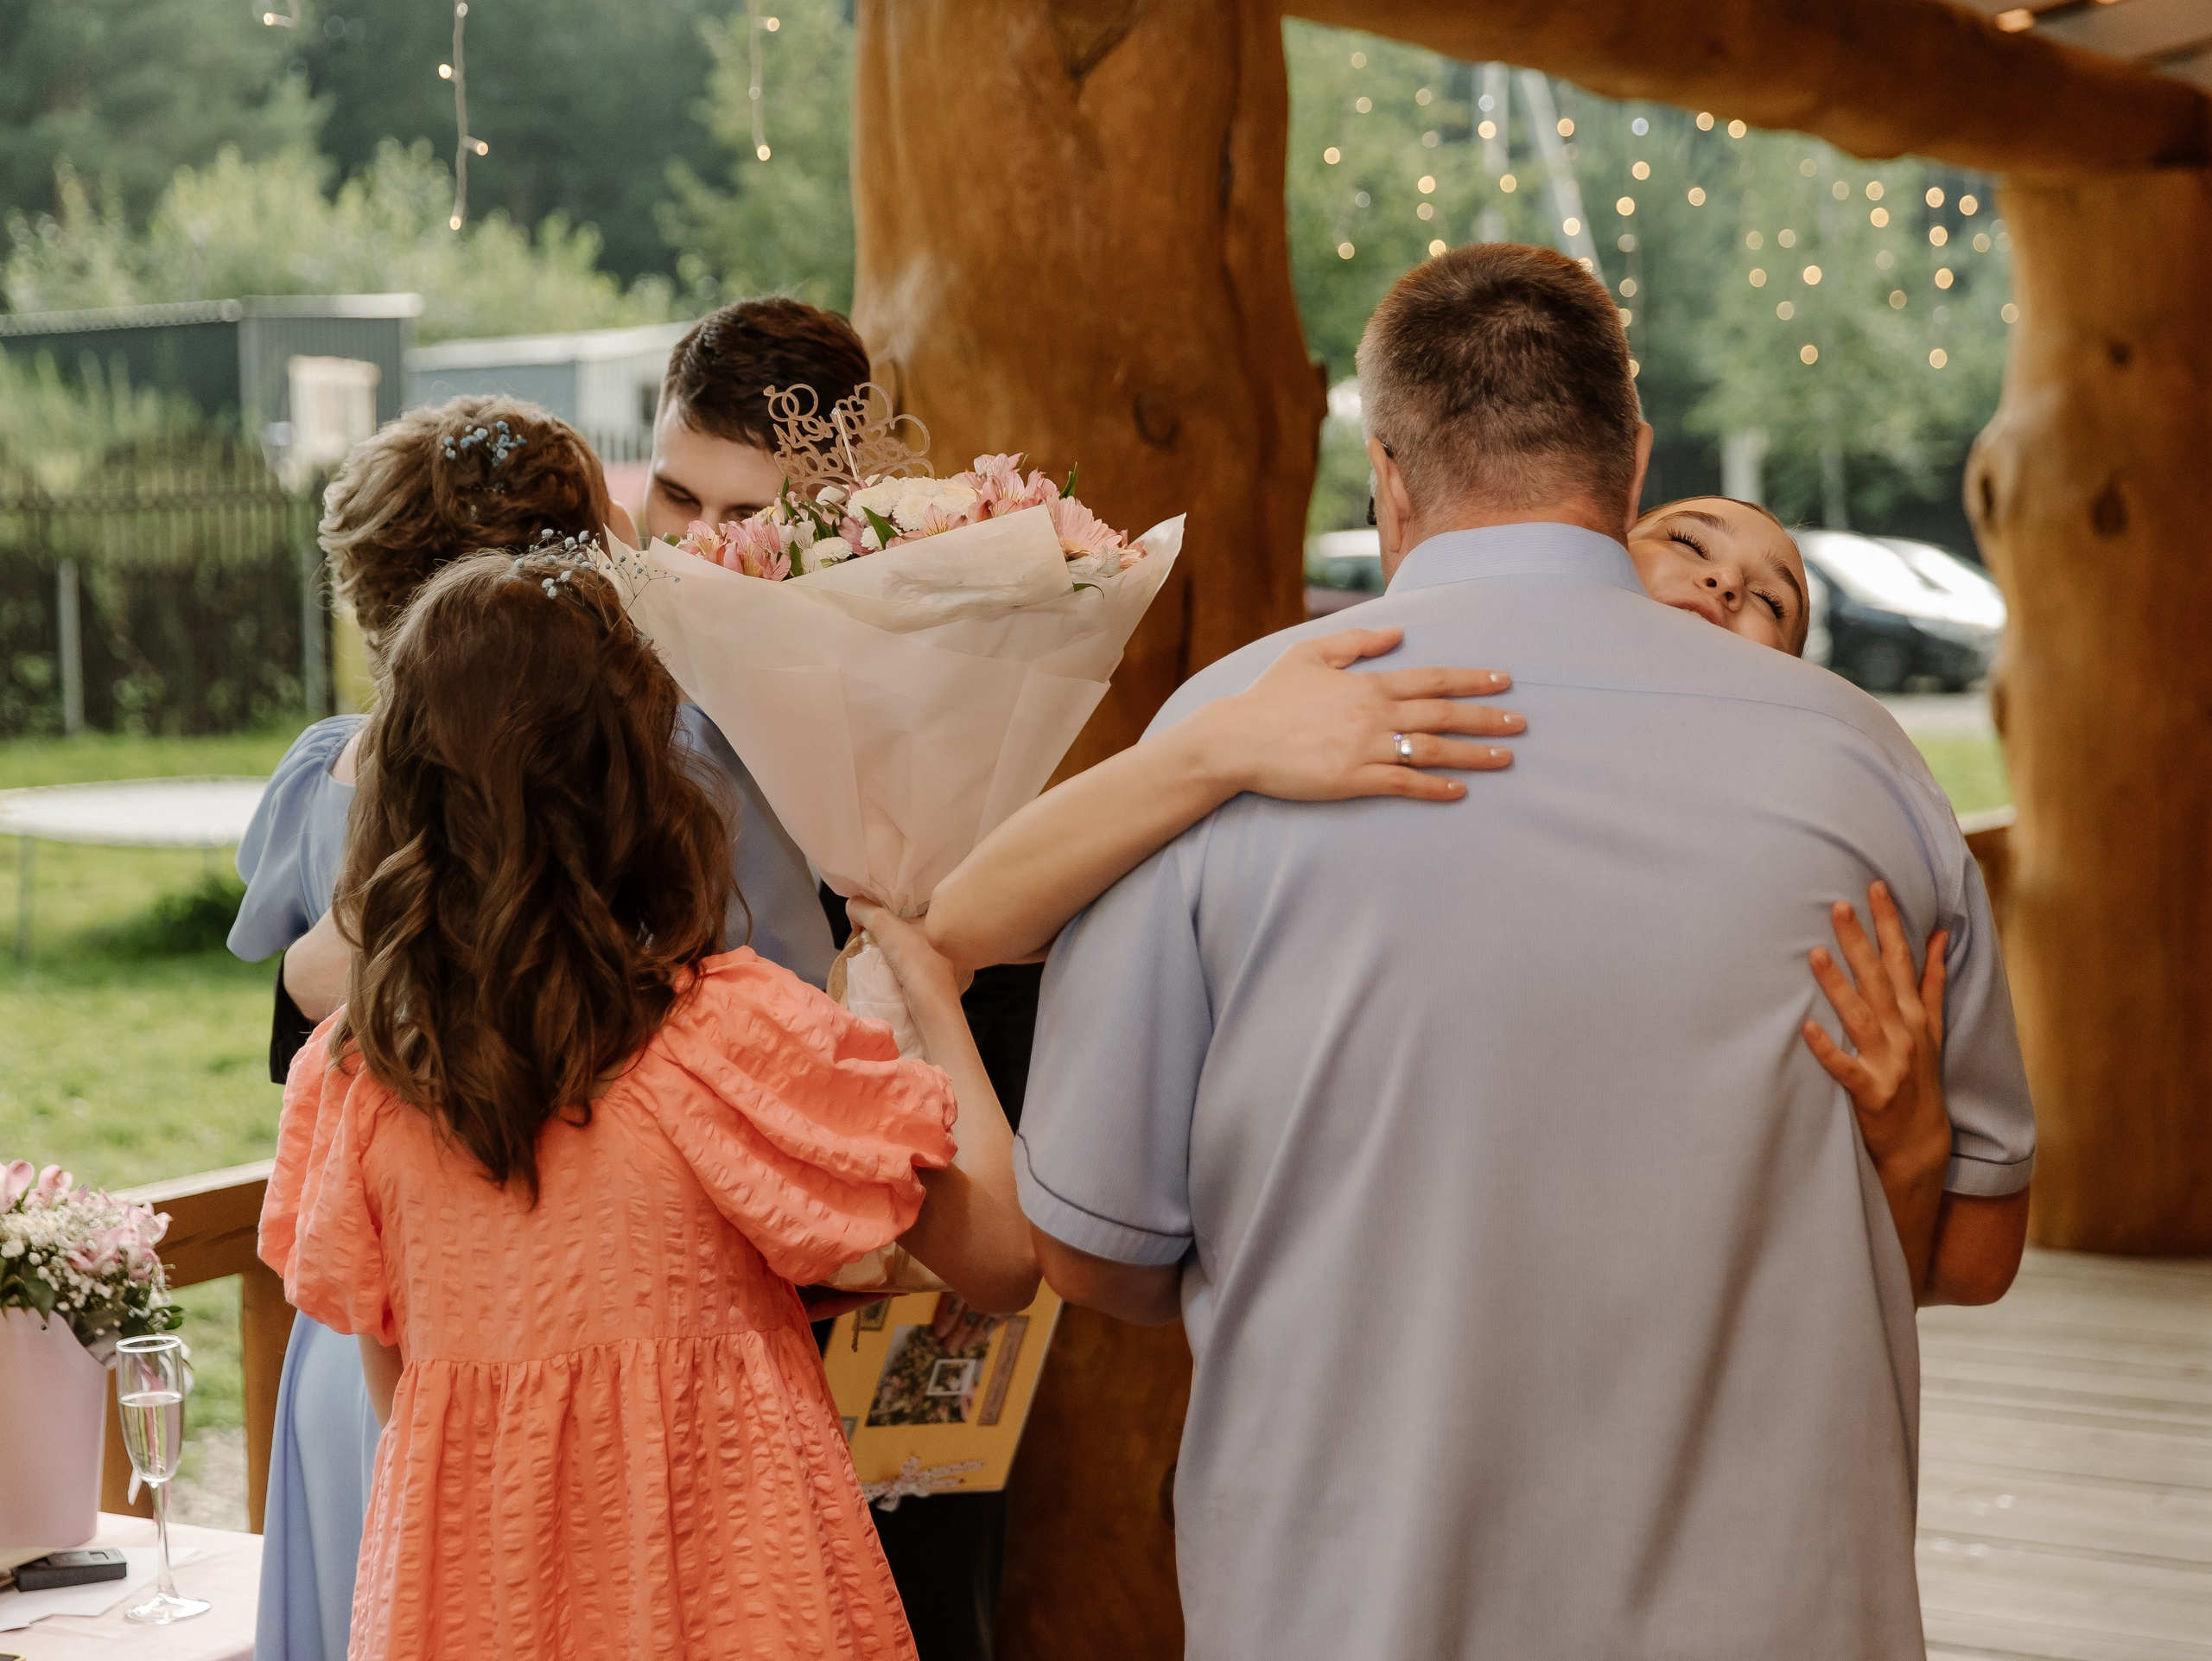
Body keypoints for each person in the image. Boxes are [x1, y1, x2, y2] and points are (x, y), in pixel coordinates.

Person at [1002, 244, 2035, 1658]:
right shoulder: (1869, 768)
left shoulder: (1227, 736)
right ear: (1634, 464)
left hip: (1359, 1604)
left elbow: (1094, 1241)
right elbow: (1980, 1243)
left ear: (1391, 473)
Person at [257, 548, 1036, 1659]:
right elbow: (1003, 1257)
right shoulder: (728, 1037)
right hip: (736, 1587)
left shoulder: (357, 1077)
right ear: (640, 780)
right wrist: (935, 999)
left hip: (471, 1597)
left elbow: (403, 1398)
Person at [229, 394, 830, 1661]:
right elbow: (794, 1011)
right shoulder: (679, 766)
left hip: (390, 1328)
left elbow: (294, 1052)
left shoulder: (334, 779)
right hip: (618, 1333)